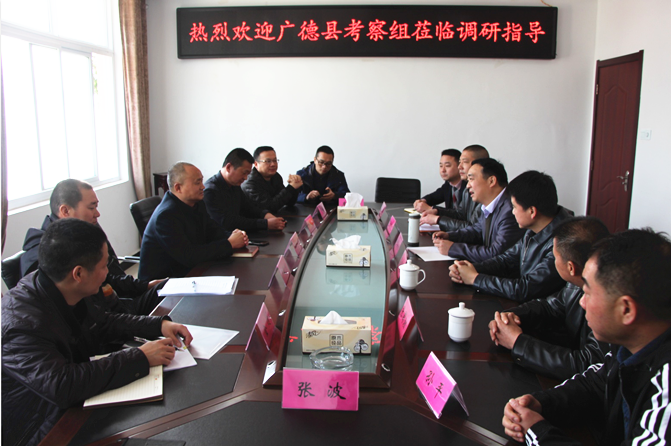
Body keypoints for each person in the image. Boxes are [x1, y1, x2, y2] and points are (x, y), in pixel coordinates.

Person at [2, 218, 193, 446]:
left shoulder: (62, 286)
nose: (107, 273)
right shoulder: (20, 324)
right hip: (46, 428)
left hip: (82, 402)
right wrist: (140, 357)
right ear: (78, 273)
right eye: (103, 266)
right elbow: (63, 385)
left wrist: (157, 325)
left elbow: (102, 321)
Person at [502, 229, 671, 445]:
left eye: (588, 293)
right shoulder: (626, 346)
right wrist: (540, 403)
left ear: (626, 309)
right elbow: (594, 384)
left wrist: (537, 432)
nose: (582, 302)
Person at [488, 217, 610, 381]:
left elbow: (586, 364)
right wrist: (510, 316)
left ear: (571, 267)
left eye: (555, 256)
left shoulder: (608, 302)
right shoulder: (576, 282)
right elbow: (550, 306)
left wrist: (517, 342)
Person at [19, 179, 164, 315]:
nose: (97, 214)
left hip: (114, 305)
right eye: (91, 207)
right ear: (65, 211)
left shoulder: (82, 233)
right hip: (102, 319)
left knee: (165, 289)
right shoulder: (45, 256)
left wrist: (145, 286)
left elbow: (107, 278)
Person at [449, 171, 571, 302]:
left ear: (532, 211)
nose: (512, 212)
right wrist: (469, 268)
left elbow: (526, 288)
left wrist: (475, 279)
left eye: (514, 207)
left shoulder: (563, 243)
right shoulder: (534, 229)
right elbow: (506, 260)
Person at [139, 162, 248, 281]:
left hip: (191, 271)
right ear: (178, 188)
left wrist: (235, 236)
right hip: (164, 283)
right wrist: (229, 244)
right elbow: (189, 256)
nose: (203, 186)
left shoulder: (196, 203)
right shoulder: (165, 216)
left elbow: (212, 230)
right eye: (197, 182)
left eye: (202, 181)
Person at [433, 158, 525, 263]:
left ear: (491, 181)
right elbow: (477, 230)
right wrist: (450, 236)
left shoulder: (511, 209)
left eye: (471, 179)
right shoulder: (490, 204)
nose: (468, 186)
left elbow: (496, 253)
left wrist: (453, 248)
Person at [204, 148, 286, 232]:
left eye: (248, 174)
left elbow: (248, 207)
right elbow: (227, 223)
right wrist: (265, 224)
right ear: (228, 167)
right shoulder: (210, 191)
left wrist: (266, 215)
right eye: (244, 173)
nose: (246, 178)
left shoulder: (234, 184)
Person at [420, 144, 489, 231]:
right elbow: (460, 214)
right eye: (460, 162)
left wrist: (438, 219)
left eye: (464, 162)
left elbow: (473, 228)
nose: (459, 167)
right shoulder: (467, 189)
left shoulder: (485, 193)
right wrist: (437, 211)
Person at [241, 146, 303, 213]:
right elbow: (269, 207)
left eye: (275, 160)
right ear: (256, 164)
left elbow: (288, 202)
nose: (273, 164)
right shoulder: (250, 183)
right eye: (268, 161)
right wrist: (290, 188)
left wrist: (295, 186)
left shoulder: (276, 176)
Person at [413, 148, 466, 213]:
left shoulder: (468, 187)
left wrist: (432, 209)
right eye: (441, 166)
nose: (443, 170)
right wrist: (423, 201)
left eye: (447, 166)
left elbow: (460, 214)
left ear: (459, 166)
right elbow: (435, 196)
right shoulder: (448, 184)